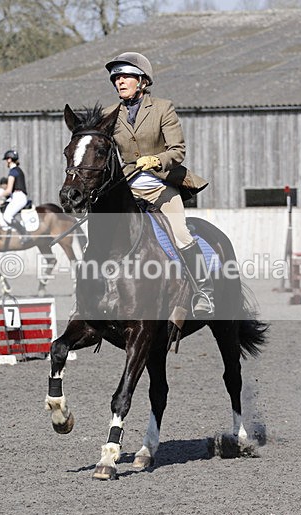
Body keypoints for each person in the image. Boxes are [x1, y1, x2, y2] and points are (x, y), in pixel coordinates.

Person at [104, 52, 213, 317]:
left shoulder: (163, 108)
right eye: (116, 77)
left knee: (181, 233)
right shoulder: (109, 114)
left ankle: (204, 290)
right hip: (128, 186)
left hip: (161, 184)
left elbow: (178, 151)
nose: (120, 81)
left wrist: (155, 160)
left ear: (142, 81)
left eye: (126, 76)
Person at [0, 149, 29, 242]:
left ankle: (24, 233)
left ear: (9, 160)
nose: (6, 162)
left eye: (6, 160)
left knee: (7, 216)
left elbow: (8, 190)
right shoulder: (17, 170)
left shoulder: (13, 172)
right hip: (16, 196)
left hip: (18, 197)